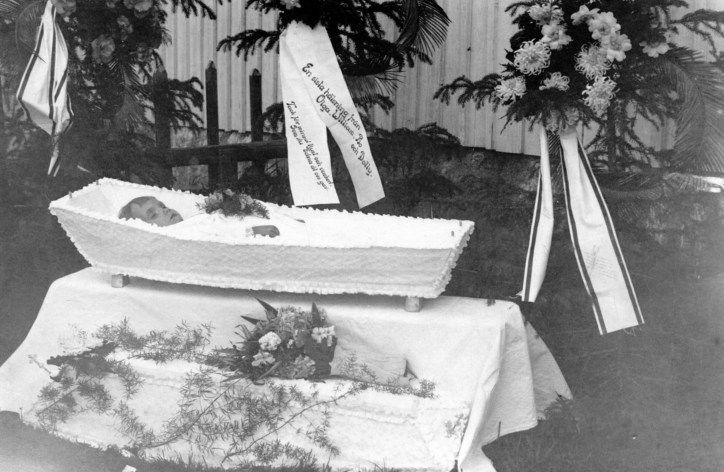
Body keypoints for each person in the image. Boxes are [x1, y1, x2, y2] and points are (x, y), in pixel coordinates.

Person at [118, 196, 281, 237]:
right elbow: (220, 234)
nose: (165, 211)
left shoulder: (187, 223)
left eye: (163, 206)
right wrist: (253, 231)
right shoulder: (180, 233)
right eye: (154, 215)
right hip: (256, 231)